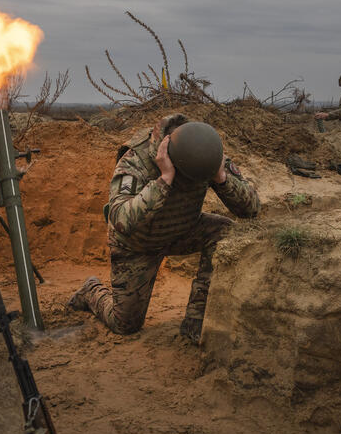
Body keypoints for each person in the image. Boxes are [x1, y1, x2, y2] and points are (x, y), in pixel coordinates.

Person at [69, 114, 261, 344]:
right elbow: (120, 220)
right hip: (137, 244)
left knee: (224, 231)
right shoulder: (135, 161)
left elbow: (251, 209)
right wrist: (165, 179)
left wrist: (221, 177)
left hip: (182, 230)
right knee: (125, 325)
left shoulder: (203, 153)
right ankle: (91, 291)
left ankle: (196, 320)